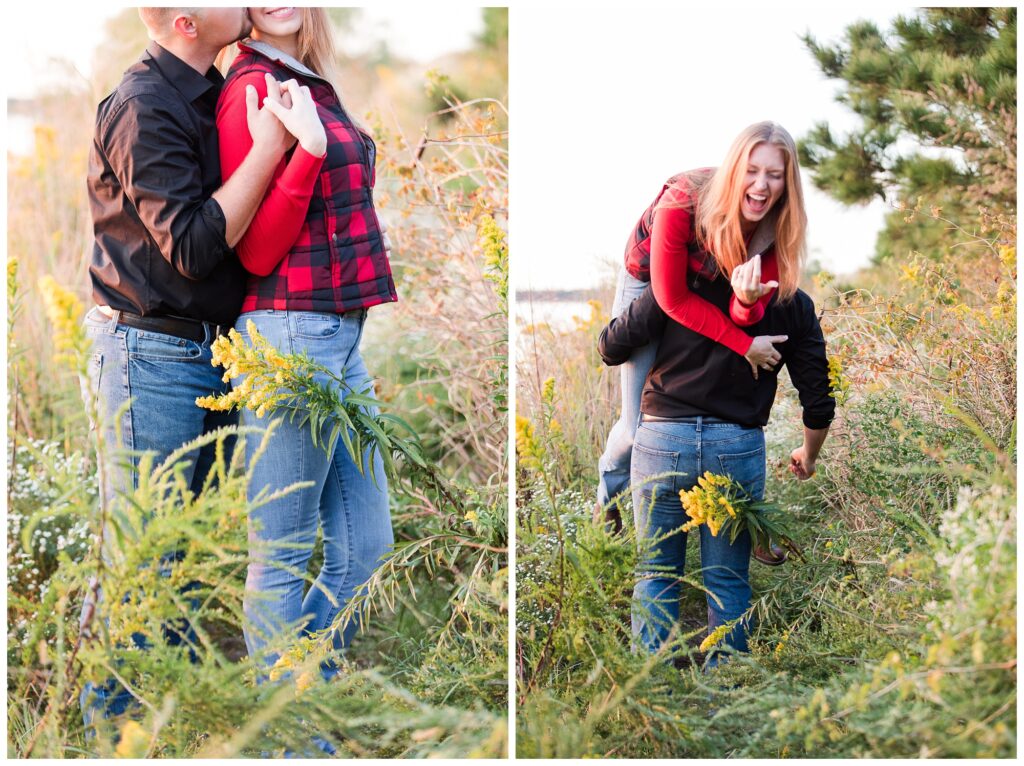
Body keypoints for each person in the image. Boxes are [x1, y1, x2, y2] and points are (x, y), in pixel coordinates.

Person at [80, 7, 297, 726]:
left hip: (209, 351)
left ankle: (164, 734)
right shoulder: (143, 105)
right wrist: (268, 151)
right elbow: (196, 248)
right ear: (183, 21)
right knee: (147, 563)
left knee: (185, 567)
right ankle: (109, 737)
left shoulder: (217, 88)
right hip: (153, 354)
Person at [596, 128, 835, 659]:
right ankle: (726, 695)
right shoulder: (682, 211)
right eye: (754, 171)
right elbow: (817, 397)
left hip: (663, 440)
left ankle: (647, 697)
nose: (763, 184)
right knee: (727, 585)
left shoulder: (751, 267)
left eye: (775, 175)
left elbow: (611, 347)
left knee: (655, 577)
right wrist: (808, 452)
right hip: (734, 447)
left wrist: (746, 311)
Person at [215, 7, 397, 677]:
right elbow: (255, 251)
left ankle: (304, 689)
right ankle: (287, 728)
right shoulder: (253, 88)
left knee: (368, 546)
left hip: (339, 333)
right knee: (284, 551)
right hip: (289, 331)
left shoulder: (308, 78)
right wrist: (311, 150)